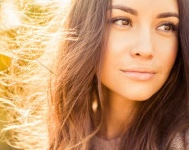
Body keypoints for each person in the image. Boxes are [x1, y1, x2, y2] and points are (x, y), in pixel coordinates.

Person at [48, 0, 189, 149]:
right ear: (82, 28)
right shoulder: (66, 134)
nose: (146, 49)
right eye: (122, 22)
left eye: (166, 26)